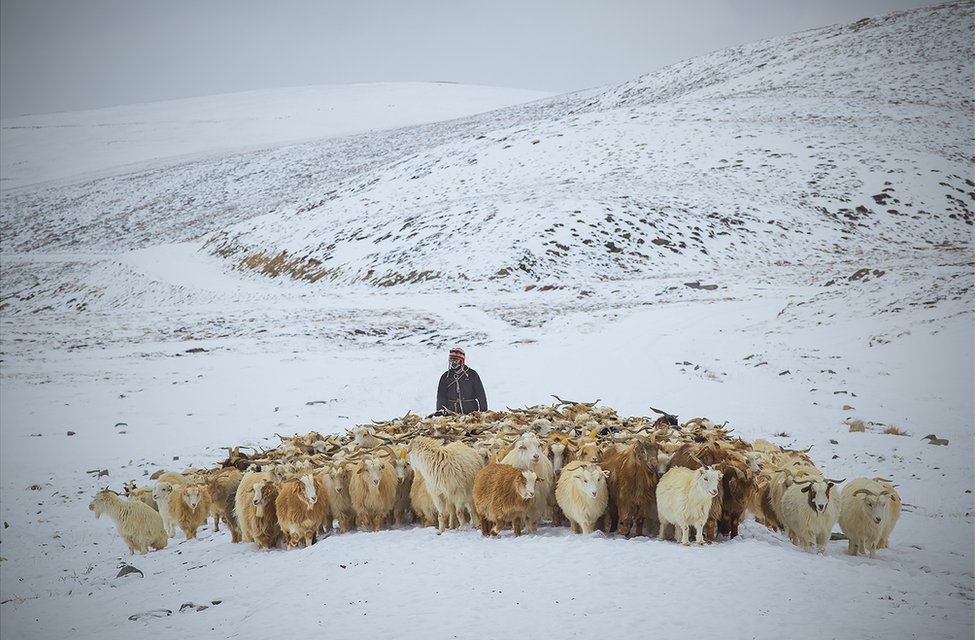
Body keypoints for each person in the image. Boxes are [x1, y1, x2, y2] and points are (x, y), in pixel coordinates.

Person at [435, 347, 487, 415]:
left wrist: (483, 411)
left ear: (462, 361)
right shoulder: (445, 377)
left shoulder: (472, 374)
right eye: (451, 361)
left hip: (471, 413)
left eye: (456, 361)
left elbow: (480, 394)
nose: (453, 364)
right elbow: (441, 396)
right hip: (451, 413)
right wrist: (440, 410)